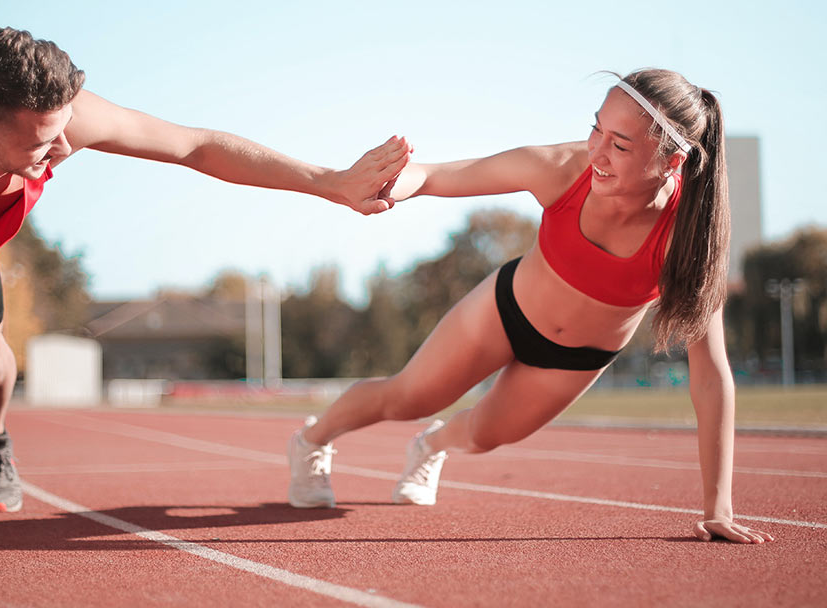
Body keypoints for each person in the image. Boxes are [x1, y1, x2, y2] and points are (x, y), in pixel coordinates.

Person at [0, 27, 410, 572]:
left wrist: (329, 182)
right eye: (44, 145)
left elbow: (195, 146)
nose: (64, 151)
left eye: (62, 132)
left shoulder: (59, 120)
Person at [286, 68, 775, 545]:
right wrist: (389, 184)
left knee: (483, 436)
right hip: (504, 311)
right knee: (409, 397)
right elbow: (436, 176)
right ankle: (312, 440)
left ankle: (430, 447)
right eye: (595, 128)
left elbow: (710, 373)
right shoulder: (562, 169)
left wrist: (718, 510)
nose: (597, 152)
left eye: (620, 145)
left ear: (671, 162)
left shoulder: (687, 237)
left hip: (575, 360)